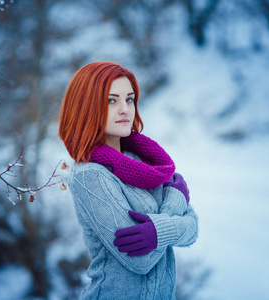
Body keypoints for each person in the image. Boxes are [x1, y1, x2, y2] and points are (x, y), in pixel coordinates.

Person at [58, 62, 198, 300]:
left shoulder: (145, 162)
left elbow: (193, 229)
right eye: (111, 100)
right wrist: (175, 201)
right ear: (87, 106)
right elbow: (140, 259)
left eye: (130, 99)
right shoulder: (90, 176)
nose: (125, 109)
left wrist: (157, 231)